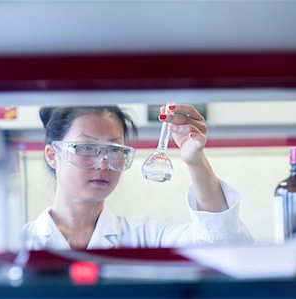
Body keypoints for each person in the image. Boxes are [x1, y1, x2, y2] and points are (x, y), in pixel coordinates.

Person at [23, 104, 253, 250]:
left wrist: (195, 160)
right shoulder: (21, 242)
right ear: (53, 156)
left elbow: (223, 245)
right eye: (85, 147)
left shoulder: (146, 238)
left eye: (114, 150)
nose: (103, 162)